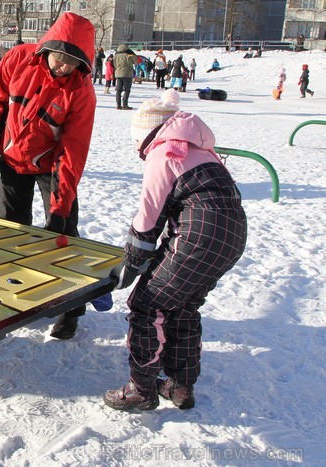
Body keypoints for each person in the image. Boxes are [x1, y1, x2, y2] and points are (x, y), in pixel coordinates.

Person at [103, 89, 247, 411]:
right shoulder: (201, 149)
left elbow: (148, 216)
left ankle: (141, 388)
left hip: (201, 234)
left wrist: (133, 262)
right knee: (182, 306)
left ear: (146, 135)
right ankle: (181, 388)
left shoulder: (164, 151)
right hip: (233, 234)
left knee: (146, 304)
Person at [0, 12, 96, 339]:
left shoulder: (81, 92)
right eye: (60, 58)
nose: (64, 67)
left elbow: (73, 151)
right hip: (14, 159)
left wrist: (58, 208)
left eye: (73, 63)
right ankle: (13, 291)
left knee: (63, 236)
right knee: (11, 231)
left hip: (51, 166)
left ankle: (71, 307)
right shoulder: (18, 59)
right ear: (49, 47)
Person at [114, 43, 136, 110]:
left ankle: (118, 105)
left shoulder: (116, 54)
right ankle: (125, 104)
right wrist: (133, 54)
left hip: (118, 73)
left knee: (118, 90)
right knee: (127, 89)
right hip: (127, 73)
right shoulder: (129, 54)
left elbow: (114, 64)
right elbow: (135, 61)